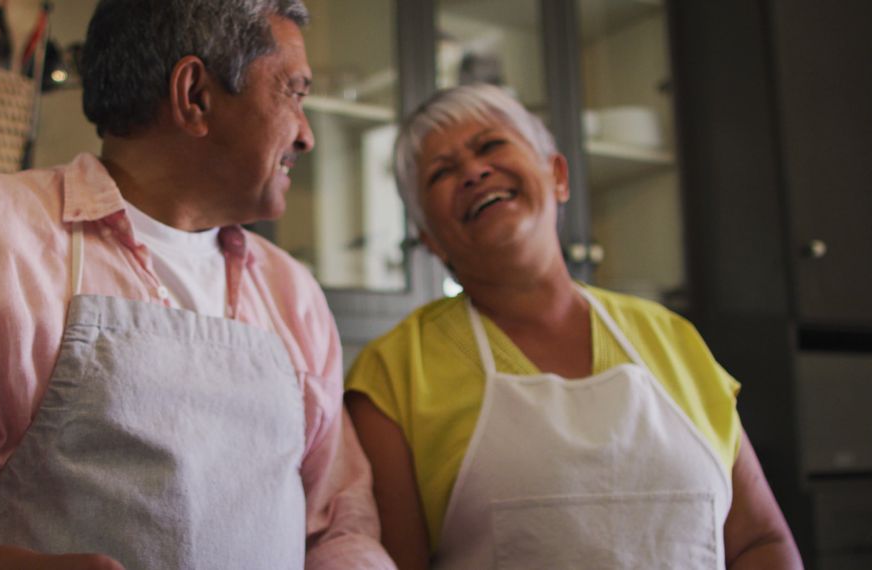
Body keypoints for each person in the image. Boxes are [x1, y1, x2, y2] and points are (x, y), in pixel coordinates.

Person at [0, 1, 395, 568]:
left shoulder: (293, 294)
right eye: (293, 94)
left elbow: (339, 526)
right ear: (195, 96)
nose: (307, 134)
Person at [344, 83, 802, 569]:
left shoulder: (672, 338)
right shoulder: (393, 374)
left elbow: (760, 542)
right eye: (441, 172)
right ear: (428, 239)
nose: (474, 172)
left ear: (558, 175)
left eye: (491, 145)